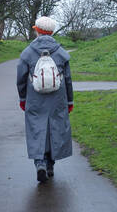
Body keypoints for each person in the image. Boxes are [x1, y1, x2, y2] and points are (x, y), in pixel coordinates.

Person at [16, 16, 74, 183]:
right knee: (54, 129)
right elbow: (68, 79)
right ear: (51, 32)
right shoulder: (61, 52)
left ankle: (39, 163)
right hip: (58, 99)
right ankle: (50, 164)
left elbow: (21, 78)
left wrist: (22, 98)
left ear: (38, 31)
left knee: (36, 129)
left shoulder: (28, 52)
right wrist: (69, 101)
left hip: (35, 99)